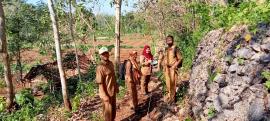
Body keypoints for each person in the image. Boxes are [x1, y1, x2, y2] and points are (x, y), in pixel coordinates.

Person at [96, 47, 119, 121]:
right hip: (106, 93)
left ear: (108, 54)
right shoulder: (100, 67)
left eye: (106, 53)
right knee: (108, 113)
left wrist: (116, 86)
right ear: (100, 55)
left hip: (112, 91)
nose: (105, 55)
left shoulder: (111, 63)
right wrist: (104, 95)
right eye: (103, 54)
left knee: (113, 111)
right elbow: (100, 83)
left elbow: (113, 76)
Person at [160, 35, 182, 103]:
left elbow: (180, 58)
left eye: (170, 39)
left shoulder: (175, 48)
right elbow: (164, 58)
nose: (169, 40)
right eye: (168, 39)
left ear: (173, 40)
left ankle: (173, 100)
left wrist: (175, 66)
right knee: (168, 84)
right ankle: (170, 97)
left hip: (172, 69)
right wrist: (163, 64)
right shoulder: (166, 49)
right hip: (167, 69)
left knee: (173, 84)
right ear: (166, 41)